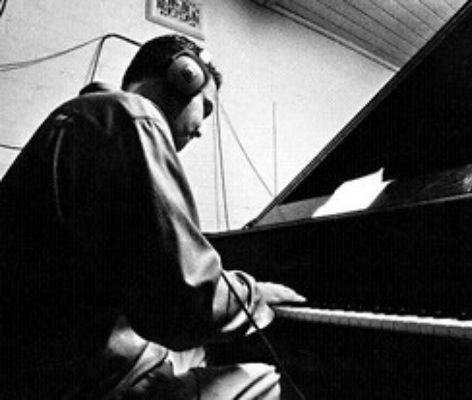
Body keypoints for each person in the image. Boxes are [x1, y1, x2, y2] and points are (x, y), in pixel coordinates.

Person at [0, 34, 305, 399]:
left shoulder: (84, 118)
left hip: (36, 365)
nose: (201, 129)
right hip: (86, 383)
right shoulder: (134, 117)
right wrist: (255, 294)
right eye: (206, 108)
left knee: (201, 351)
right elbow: (186, 303)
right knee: (267, 379)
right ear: (184, 77)